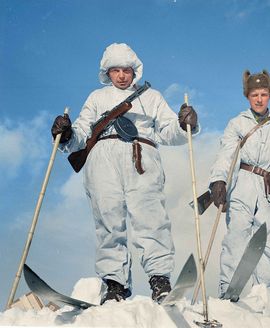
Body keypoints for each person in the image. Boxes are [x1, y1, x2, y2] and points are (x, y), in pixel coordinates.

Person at [50, 43, 199, 304]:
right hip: (102, 159)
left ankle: (159, 280)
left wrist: (185, 123)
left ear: (135, 70)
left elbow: (168, 131)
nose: (121, 76)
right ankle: (115, 283)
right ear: (106, 73)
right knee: (108, 220)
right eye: (115, 70)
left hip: (141, 155)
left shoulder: (151, 97)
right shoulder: (97, 98)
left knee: (150, 217)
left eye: (126, 70)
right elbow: (82, 133)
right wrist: (67, 132)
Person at [209, 69, 270, 298]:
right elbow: (226, 154)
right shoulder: (237, 124)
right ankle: (228, 293)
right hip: (242, 185)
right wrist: (218, 180)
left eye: (263, 94)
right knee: (236, 238)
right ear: (247, 96)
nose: (259, 99)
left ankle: (266, 296)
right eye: (254, 94)